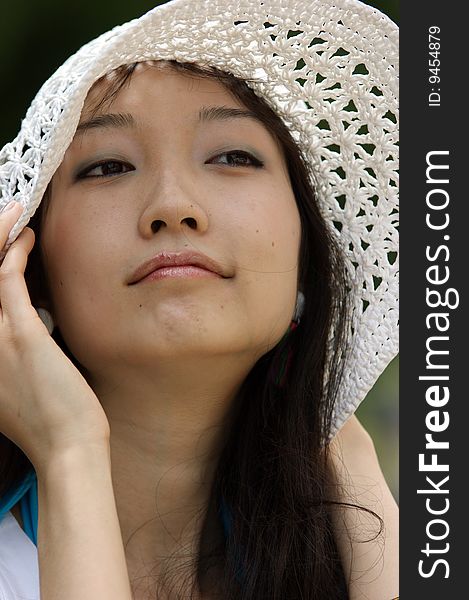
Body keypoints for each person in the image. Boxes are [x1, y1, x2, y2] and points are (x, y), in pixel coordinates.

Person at [0, 1, 399, 598]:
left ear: (307, 266)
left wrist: (345, 447)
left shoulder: (364, 541)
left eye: (232, 157)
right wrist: (69, 454)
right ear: (29, 270)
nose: (173, 205)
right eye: (108, 166)